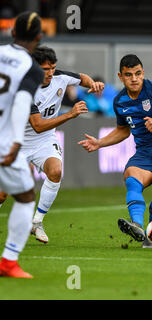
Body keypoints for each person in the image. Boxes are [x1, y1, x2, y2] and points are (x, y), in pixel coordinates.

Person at [78, 54, 152, 248]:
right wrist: (100, 143)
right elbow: (123, 130)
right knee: (132, 180)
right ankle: (138, 227)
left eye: (138, 73)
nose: (134, 78)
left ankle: (150, 233)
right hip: (144, 153)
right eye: (129, 75)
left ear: (143, 73)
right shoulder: (120, 101)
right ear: (120, 76)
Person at [24, 46, 103, 243]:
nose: (50, 73)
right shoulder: (26, 88)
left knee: (56, 171)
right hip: (19, 141)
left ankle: (37, 222)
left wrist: (92, 84)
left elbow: (81, 77)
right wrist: (70, 114)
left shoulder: (60, 77)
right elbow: (38, 126)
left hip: (44, 141)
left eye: (53, 68)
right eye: (45, 69)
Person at [0, 11, 44, 278]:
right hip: (4, 142)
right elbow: (20, 103)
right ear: (39, 37)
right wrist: (17, 140)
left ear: (12, 32)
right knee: (26, 197)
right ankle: (8, 262)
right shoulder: (32, 68)